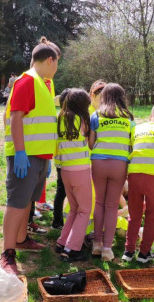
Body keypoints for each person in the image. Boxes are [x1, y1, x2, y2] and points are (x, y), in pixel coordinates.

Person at [0, 37, 61, 275]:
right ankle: (7, 253)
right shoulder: (27, 82)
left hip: (39, 156)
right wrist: (21, 152)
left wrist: (47, 158)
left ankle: (22, 238)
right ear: (49, 60)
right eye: (57, 64)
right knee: (16, 203)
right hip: (24, 155)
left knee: (27, 201)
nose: (57, 69)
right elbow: (15, 117)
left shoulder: (44, 83)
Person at [123, 101, 154, 263]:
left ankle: (128, 251)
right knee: (152, 215)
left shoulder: (136, 129)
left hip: (134, 176)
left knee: (134, 215)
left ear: (151, 115)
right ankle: (144, 254)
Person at [88, 83, 135, 262]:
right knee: (111, 205)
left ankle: (97, 244)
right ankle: (108, 249)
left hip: (98, 162)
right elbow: (132, 143)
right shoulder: (129, 118)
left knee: (99, 202)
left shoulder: (96, 115)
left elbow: (91, 144)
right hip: (119, 164)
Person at [54, 88, 93, 262]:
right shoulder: (83, 120)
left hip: (65, 171)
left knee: (74, 208)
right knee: (84, 210)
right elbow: (90, 143)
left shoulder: (60, 119)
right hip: (81, 171)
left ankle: (62, 241)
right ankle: (72, 249)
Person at [50, 88, 71, 229]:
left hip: (60, 162)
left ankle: (58, 221)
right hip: (68, 162)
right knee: (63, 191)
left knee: (61, 191)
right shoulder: (70, 119)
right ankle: (58, 221)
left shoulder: (58, 118)